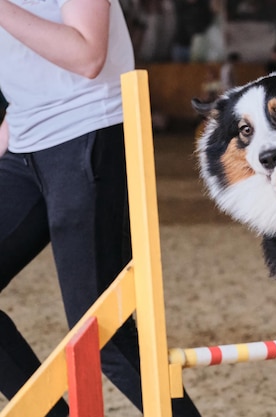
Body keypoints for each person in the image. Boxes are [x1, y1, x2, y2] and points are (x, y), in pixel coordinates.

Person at [0, 1, 201, 416]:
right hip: (25, 142)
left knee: (102, 334)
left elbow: (88, 56)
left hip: (89, 131)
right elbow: (27, 79)